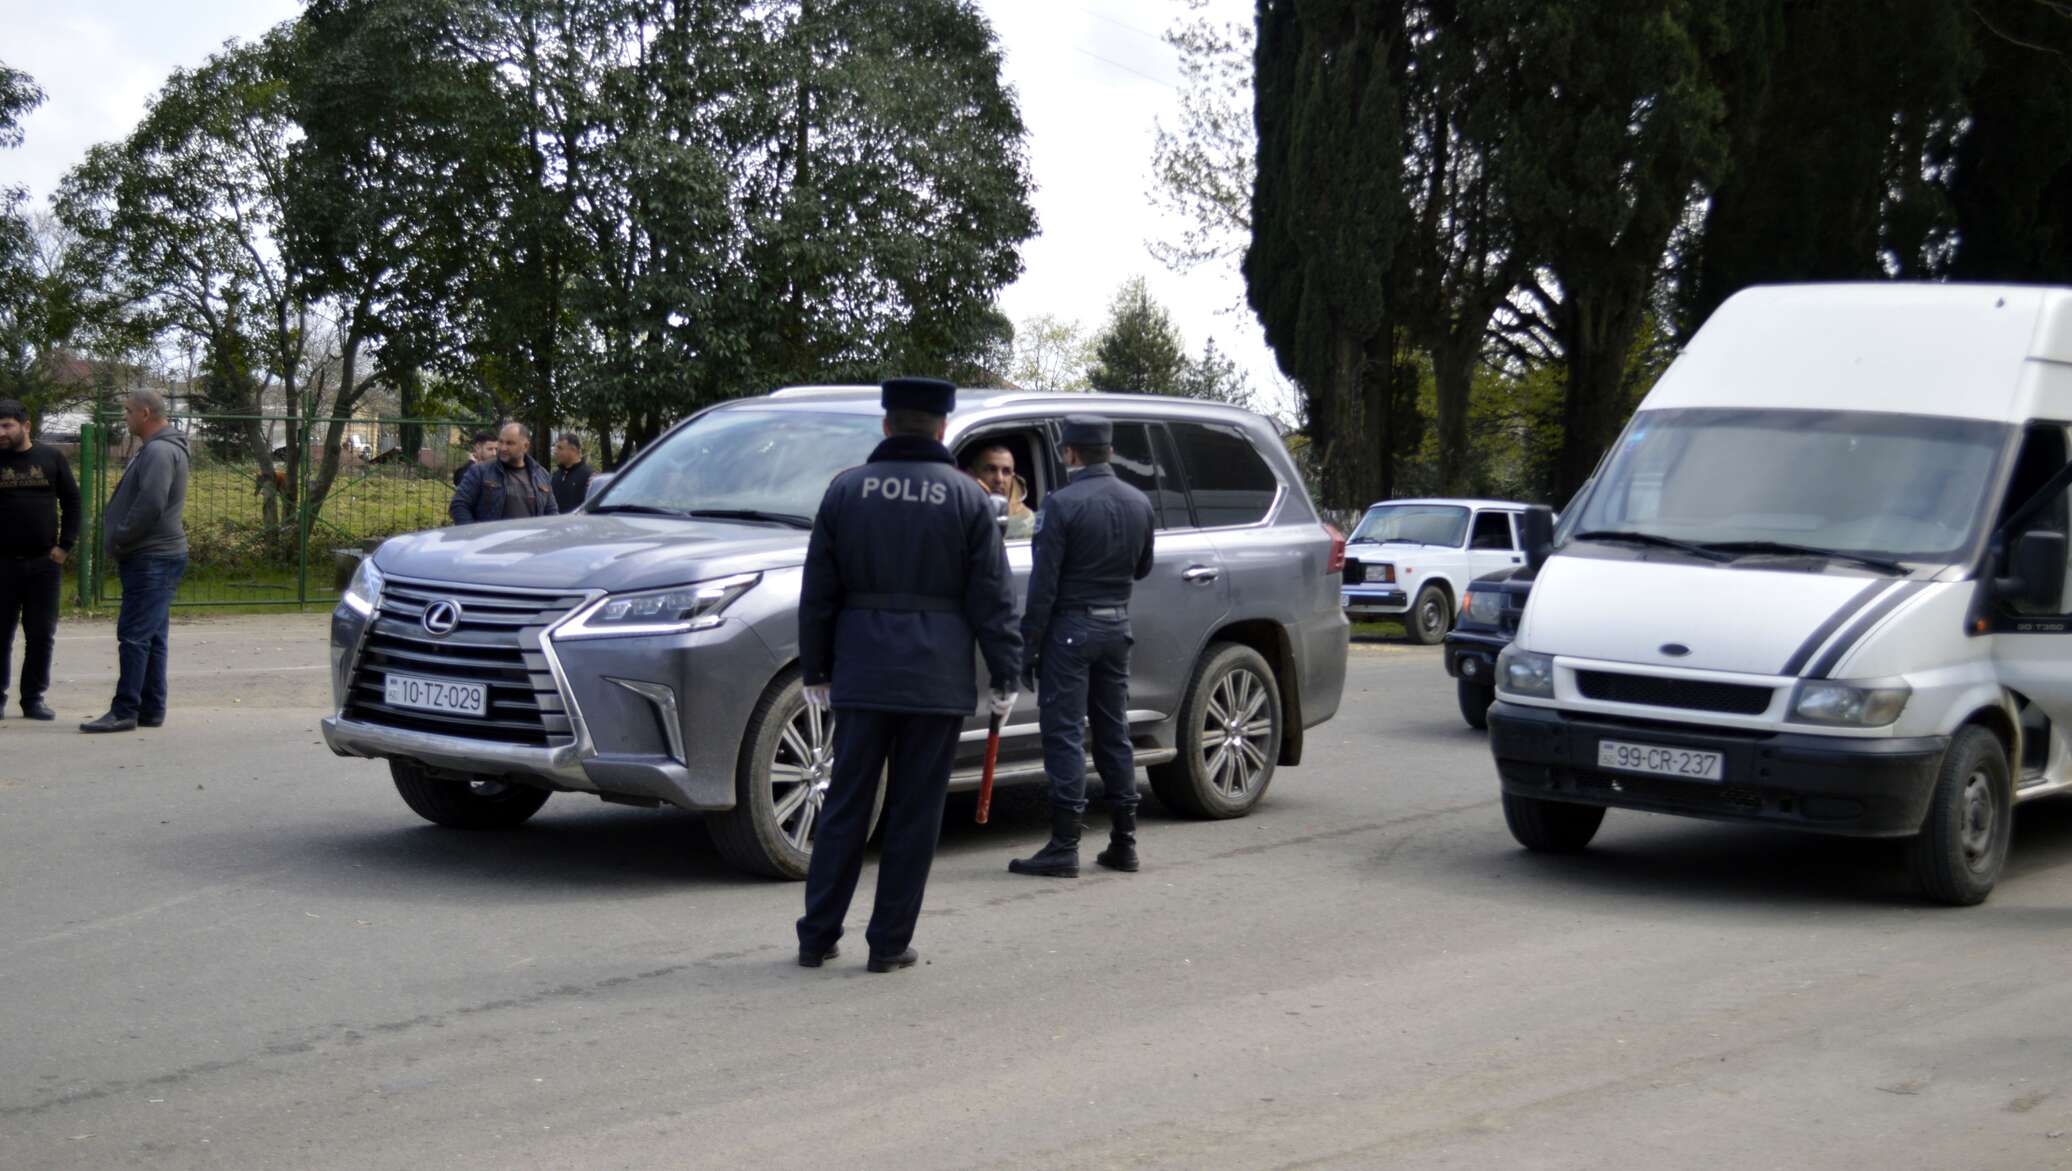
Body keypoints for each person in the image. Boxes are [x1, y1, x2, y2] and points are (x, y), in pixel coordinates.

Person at [795, 377, 1021, 973]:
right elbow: (993, 599)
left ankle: (816, 936)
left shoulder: (845, 491)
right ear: (943, 428)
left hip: (862, 669)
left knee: (846, 804)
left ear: (887, 424)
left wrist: (816, 667)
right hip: (935, 675)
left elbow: (818, 590)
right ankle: (889, 943)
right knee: (915, 813)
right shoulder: (969, 499)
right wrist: (1006, 673)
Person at [1010, 414, 1156, 878]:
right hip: (1117, 625)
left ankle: (1064, 845)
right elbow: (1143, 567)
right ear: (1109, 451)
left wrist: (1028, 647)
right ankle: (1124, 842)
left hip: (1071, 630)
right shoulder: (1138, 502)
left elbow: (1043, 587)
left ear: (1069, 453)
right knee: (1114, 733)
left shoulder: (1060, 505)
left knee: (1065, 733)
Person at [81, 390, 190, 734]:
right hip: (154, 554)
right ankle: (150, 708)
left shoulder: (159, 450)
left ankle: (125, 709)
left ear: (145, 413)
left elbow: (151, 503)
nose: (123, 418)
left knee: (133, 636)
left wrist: (120, 537)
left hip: (150, 555)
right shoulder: (160, 448)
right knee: (152, 635)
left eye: (127, 412)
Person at [0, 399, 80, 721]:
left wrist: (65, 546)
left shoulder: (51, 458)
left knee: (40, 634)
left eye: (7, 426)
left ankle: (33, 699)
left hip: (43, 564)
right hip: (2, 564)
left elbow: (73, 502)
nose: (1, 432)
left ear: (26, 426)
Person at [449, 422, 557, 525]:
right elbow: (458, 505)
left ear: (525, 446)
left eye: (510, 443)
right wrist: (474, 536)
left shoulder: (541, 475)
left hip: (529, 542)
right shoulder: (480, 471)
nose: (503, 448)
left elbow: (552, 514)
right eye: (501, 442)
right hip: (491, 542)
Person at [963, 442, 1035, 539]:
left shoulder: (1026, 522)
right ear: (971, 475)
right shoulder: (958, 515)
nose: (999, 479)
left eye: (1006, 472)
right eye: (991, 470)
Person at [550, 433, 593, 513]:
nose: (555, 452)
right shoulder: (556, 476)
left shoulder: (588, 476)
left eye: (560, 448)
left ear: (573, 450)